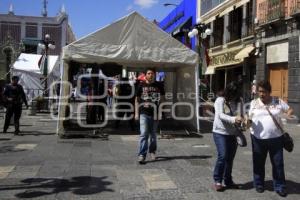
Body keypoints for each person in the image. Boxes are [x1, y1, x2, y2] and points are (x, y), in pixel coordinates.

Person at [248, 80, 293, 197]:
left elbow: (289, 110)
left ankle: (280, 186)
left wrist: (287, 116)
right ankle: (258, 184)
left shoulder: (277, 101)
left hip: (276, 138)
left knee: (278, 164)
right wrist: (245, 122)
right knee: (258, 163)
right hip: (258, 138)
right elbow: (249, 118)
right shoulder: (254, 103)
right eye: (259, 91)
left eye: (264, 92)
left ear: (269, 92)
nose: (261, 94)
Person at [212, 81, 243, 191]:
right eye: (233, 94)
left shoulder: (238, 101)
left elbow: (240, 114)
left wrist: (243, 121)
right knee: (223, 155)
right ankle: (217, 180)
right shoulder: (220, 100)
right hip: (220, 132)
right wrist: (234, 119)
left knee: (230, 158)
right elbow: (220, 115)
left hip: (232, 133)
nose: (234, 97)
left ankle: (228, 180)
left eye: (236, 94)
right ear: (228, 92)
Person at [135, 68, 165, 164]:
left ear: (154, 75)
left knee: (153, 135)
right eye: (149, 73)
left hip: (155, 113)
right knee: (143, 134)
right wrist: (136, 113)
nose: (151, 75)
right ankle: (142, 155)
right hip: (144, 112)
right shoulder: (141, 85)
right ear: (145, 75)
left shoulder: (159, 85)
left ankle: (152, 151)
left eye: (152, 73)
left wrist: (161, 112)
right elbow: (137, 100)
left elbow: (162, 100)